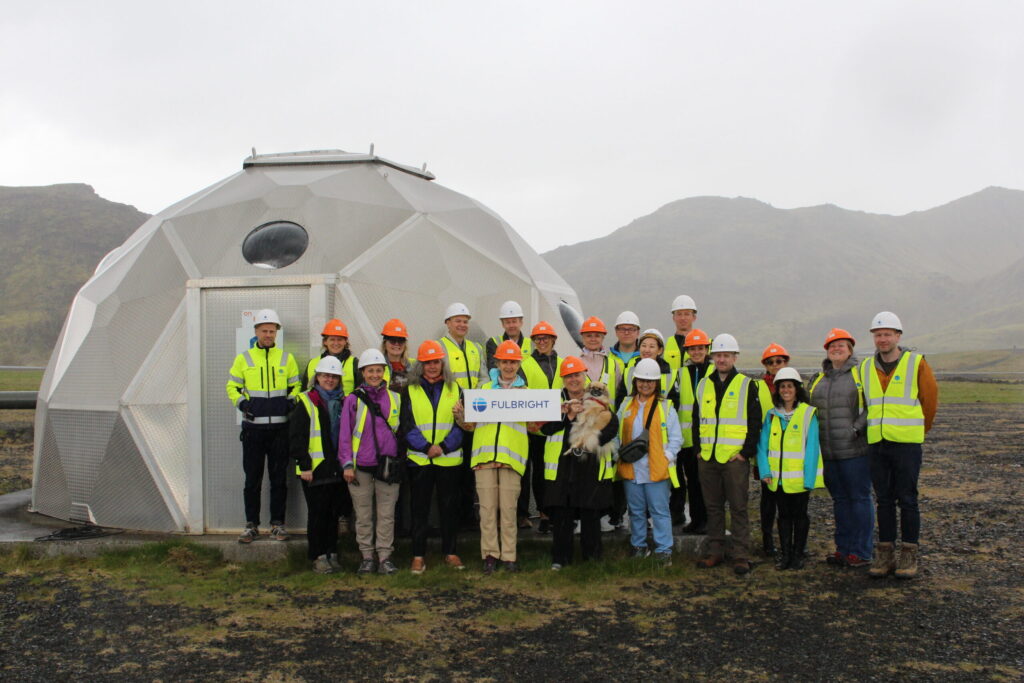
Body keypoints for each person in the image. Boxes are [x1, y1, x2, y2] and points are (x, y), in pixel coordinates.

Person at [861, 312, 938, 579]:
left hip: (906, 444)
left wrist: (917, 430)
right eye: (878, 334)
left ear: (898, 336)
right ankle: (885, 555)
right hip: (878, 443)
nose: (882, 339)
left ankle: (908, 555)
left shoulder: (916, 363)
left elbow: (929, 401)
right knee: (883, 499)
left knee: (907, 499)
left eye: (887, 334)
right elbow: (866, 404)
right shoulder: (865, 367)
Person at [226, 308, 301, 544]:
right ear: (256, 331)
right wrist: (243, 404)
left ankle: (277, 524)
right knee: (252, 480)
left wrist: (289, 403)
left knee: (279, 479)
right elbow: (232, 388)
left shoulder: (286, 359)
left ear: (277, 333)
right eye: (264, 330)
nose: (268, 334)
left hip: (280, 430)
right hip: (253, 431)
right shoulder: (244, 359)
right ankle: (251, 525)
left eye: (272, 331)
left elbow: (296, 387)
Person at [455, 340, 529, 574]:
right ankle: (489, 555)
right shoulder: (483, 392)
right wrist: (459, 416)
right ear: (497, 362)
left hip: (511, 460)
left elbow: (535, 426)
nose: (509, 366)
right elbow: (470, 426)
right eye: (505, 361)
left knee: (508, 511)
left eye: (513, 362)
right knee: (487, 511)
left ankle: (509, 557)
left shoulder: (527, 394)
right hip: (484, 459)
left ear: (518, 364)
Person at [692, 333, 762, 575]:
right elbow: (696, 419)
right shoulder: (703, 385)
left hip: (734, 459)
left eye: (726, 355)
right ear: (712, 357)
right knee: (712, 507)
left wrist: (746, 453)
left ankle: (741, 554)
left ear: (734, 357)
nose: (721, 359)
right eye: (718, 355)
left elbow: (755, 421)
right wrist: (699, 450)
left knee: (738, 507)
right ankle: (716, 551)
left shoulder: (746, 384)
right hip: (708, 458)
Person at [541, 356, 619, 569]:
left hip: (589, 467)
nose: (573, 380)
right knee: (562, 516)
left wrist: (591, 442)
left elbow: (612, 425)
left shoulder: (596, 397)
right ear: (563, 379)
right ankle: (560, 559)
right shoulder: (553, 401)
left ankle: (592, 559)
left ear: (584, 376)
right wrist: (567, 416)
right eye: (568, 376)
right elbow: (544, 428)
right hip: (562, 467)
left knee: (590, 514)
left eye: (577, 375)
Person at [808, 328, 872, 568]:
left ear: (850, 349)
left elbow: (872, 406)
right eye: (832, 345)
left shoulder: (860, 375)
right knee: (840, 501)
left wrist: (856, 429)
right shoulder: (818, 379)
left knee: (859, 499)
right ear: (826, 350)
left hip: (855, 452)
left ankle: (862, 551)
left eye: (841, 345)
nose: (836, 349)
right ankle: (843, 549)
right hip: (828, 453)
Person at [401, 340, 465, 574]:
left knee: (449, 508)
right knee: (419, 509)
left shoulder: (455, 388)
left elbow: (462, 424)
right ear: (421, 365)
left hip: (448, 459)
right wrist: (427, 447)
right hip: (420, 459)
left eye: (436, 362)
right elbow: (406, 425)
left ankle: (450, 552)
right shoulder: (410, 389)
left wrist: (444, 446)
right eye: (427, 363)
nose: (432, 367)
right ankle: (418, 555)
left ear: (442, 363)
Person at [339, 349, 404, 575]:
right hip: (361, 467)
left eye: (378, 370)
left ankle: (385, 556)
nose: (375, 374)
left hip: (388, 465)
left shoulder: (395, 398)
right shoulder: (353, 400)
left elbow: (401, 431)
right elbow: (345, 435)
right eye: (370, 371)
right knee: (363, 514)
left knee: (386, 514)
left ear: (384, 372)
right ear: (363, 373)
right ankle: (367, 556)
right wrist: (347, 464)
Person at [616, 358, 682, 565]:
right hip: (631, 469)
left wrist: (666, 458)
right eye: (642, 380)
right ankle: (639, 545)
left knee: (659, 511)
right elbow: (615, 433)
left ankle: (664, 550)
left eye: (650, 381)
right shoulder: (626, 405)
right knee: (635, 511)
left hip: (657, 469)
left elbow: (676, 438)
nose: (645, 384)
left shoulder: (666, 406)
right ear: (635, 381)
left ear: (656, 383)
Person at [756, 368, 823, 570]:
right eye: (782, 386)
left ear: (797, 389)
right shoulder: (771, 415)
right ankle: (785, 555)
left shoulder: (808, 414)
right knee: (783, 517)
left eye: (790, 386)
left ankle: (798, 555)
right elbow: (762, 445)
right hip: (777, 479)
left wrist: (810, 478)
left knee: (800, 516)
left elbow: (812, 447)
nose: (786, 390)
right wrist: (765, 471)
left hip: (800, 479)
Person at [290, 356, 346, 573]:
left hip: (336, 467)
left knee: (333, 514)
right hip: (313, 468)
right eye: (325, 376)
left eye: (333, 376)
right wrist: (304, 464)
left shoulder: (343, 401)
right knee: (317, 514)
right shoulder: (306, 401)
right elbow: (296, 437)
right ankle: (318, 555)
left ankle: (332, 552)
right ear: (317, 378)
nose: (329, 380)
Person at [439, 302, 488, 529]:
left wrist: (476, 402)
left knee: (470, 465)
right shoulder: (439, 348)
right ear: (448, 323)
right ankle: (452, 516)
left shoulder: (476, 348)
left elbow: (484, 377)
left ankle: (468, 515)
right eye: (457, 320)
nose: (462, 324)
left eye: (465, 321)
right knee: (452, 468)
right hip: (450, 415)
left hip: (474, 415)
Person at [517, 321, 563, 532]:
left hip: (557, 428)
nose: (542, 342)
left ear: (553, 340)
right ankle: (536, 514)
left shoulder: (563, 363)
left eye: (546, 338)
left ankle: (552, 513)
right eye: (538, 339)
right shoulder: (524, 364)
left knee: (553, 471)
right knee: (534, 472)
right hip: (533, 428)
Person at [672, 328, 713, 534]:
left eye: (700, 348)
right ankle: (696, 520)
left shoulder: (715, 373)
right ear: (687, 351)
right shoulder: (681, 374)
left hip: (708, 439)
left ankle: (707, 521)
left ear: (707, 349)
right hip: (687, 440)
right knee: (693, 485)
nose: (696, 352)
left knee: (706, 484)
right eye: (693, 349)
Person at [754, 343, 790, 558]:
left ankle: (790, 540)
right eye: (771, 362)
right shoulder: (757, 387)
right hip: (766, 452)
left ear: (786, 362)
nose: (775, 365)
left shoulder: (794, 386)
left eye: (779, 361)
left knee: (790, 498)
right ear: (765, 365)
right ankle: (767, 539)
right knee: (768, 498)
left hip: (791, 454)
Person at [617, 329, 678, 407]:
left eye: (652, 346)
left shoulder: (670, 375)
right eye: (644, 345)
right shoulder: (628, 372)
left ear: (660, 350)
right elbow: (620, 402)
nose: (647, 350)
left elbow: (674, 404)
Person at [304, 318, 358, 394]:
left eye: (340, 339)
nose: (336, 343)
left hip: (346, 406)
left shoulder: (354, 363)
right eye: (332, 339)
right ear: (325, 341)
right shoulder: (312, 363)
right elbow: (304, 391)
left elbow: (360, 393)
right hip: (316, 405)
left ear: (345, 342)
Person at [578, 315, 621, 406]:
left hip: (607, 417)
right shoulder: (576, 363)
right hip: (583, 417)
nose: (593, 339)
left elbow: (618, 393)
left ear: (603, 337)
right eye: (589, 336)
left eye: (597, 336)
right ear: (582, 337)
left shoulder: (613, 364)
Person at [485, 300, 532, 370]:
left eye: (514, 321)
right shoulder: (494, 343)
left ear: (521, 322)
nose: (511, 325)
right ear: (502, 324)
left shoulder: (532, 345)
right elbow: (493, 369)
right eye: (508, 322)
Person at [664, 295, 698, 377]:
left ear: (694, 317)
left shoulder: (704, 345)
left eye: (687, 314)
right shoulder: (664, 345)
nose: (683, 318)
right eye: (679, 314)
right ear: (673, 317)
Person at [379, 318, 414, 392]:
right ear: (385, 343)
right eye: (392, 340)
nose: (396, 344)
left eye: (400, 340)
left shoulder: (414, 366)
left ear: (405, 344)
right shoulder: (377, 367)